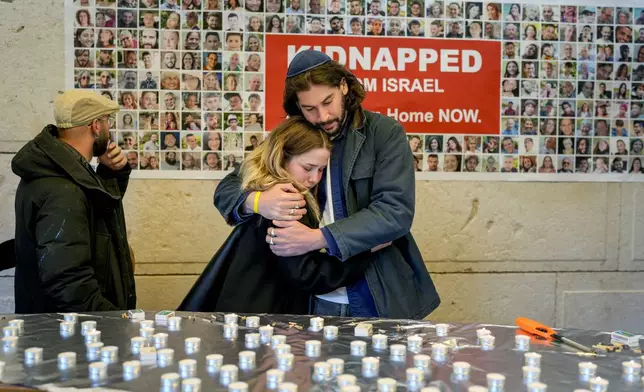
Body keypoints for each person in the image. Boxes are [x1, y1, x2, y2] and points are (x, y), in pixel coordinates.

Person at [214, 50, 440, 319]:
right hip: (307, 299)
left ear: (343, 86)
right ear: (298, 106)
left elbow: (395, 213)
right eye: (309, 108)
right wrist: (259, 201)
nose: (322, 116)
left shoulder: (385, 133)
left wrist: (314, 239)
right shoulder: (294, 134)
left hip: (376, 292)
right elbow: (227, 188)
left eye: (328, 102)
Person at [178, 116, 372, 313]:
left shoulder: (262, 185)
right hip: (265, 313)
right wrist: (364, 250)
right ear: (282, 158)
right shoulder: (288, 200)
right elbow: (308, 274)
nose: (314, 178)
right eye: (307, 168)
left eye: (321, 170)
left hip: (242, 301)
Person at [12, 90, 136, 313]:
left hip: (64, 330)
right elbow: (68, 284)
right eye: (107, 121)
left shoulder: (61, 171)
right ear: (96, 125)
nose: (109, 130)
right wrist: (114, 322)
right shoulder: (62, 189)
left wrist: (111, 173)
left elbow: (98, 211)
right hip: (72, 335)